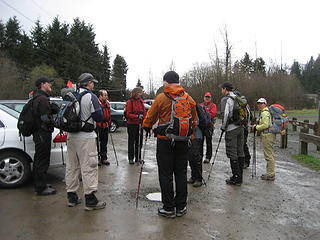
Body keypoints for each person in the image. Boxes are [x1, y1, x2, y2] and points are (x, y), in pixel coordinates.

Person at [143, 71, 197, 218]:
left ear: (166, 82)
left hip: (165, 141)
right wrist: (189, 136)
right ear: (178, 82)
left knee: (165, 175)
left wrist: (146, 126)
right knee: (181, 173)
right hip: (183, 141)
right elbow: (194, 121)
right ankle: (181, 207)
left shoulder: (161, 98)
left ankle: (168, 208)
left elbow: (150, 117)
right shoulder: (189, 98)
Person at [65, 73, 106, 210]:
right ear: (88, 83)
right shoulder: (91, 96)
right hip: (86, 137)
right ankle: (90, 200)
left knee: (72, 166)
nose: (93, 85)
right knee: (89, 166)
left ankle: (72, 196)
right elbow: (98, 117)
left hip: (71, 136)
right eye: (92, 82)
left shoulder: (71, 95)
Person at [32, 77, 57, 195]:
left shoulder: (38, 97)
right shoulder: (42, 99)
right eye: (49, 83)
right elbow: (44, 117)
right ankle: (41, 187)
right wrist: (55, 123)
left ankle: (41, 183)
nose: (50, 84)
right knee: (42, 159)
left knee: (40, 158)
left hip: (40, 132)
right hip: (42, 132)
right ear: (43, 84)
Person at [219, 82, 245, 186]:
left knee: (232, 153)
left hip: (231, 129)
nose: (221, 91)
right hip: (241, 128)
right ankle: (240, 177)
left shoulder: (229, 99)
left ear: (225, 89)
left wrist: (223, 127)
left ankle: (236, 178)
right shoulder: (239, 98)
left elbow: (226, 115)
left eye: (222, 89)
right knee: (240, 151)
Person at [252, 98, 276, 181]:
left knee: (268, 155)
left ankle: (270, 174)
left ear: (265, 104)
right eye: (258, 103)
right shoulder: (265, 112)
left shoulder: (265, 113)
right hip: (268, 135)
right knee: (269, 154)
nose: (259, 105)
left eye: (261, 103)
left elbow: (266, 125)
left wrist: (256, 127)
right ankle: (270, 172)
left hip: (267, 135)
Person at [125, 87, 146, 164]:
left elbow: (144, 112)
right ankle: (131, 158)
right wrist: (136, 116)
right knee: (131, 141)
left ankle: (138, 157)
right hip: (132, 124)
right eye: (140, 92)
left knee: (139, 141)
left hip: (139, 124)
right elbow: (128, 114)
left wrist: (144, 119)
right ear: (136, 93)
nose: (141, 94)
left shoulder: (141, 101)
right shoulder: (130, 102)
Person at [234, 91, 251, 169]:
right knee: (241, 144)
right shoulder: (246, 105)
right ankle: (243, 160)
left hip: (243, 127)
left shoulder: (243, 105)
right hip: (244, 127)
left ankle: (246, 161)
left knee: (243, 144)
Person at [96, 89, 111, 166]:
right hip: (99, 125)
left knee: (104, 143)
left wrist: (109, 123)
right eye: (105, 95)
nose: (106, 96)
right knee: (97, 143)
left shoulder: (107, 104)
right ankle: (97, 158)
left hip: (105, 125)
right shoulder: (97, 103)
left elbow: (109, 114)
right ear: (100, 96)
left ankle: (104, 158)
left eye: (106, 95)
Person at [200, 92, 217, 163]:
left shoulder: (213, 105)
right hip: (201, 126)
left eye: (208, 97)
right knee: (200, 142)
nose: (207, 98)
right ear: (204, 97)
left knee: (208, 142)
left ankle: (208, 157)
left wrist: (203, 113)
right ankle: (200, 156)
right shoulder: (200, 105)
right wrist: (206, 113)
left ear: (210, 98)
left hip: (209, 126)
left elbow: (212, 114)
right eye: (206, 97)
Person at [187, 117, 203, 187]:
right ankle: (193, 176)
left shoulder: (195, 107)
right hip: (190, 136)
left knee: (196, 157)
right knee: (191, 157)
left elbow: (196, 123)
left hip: (196, 136)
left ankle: (199, 179)